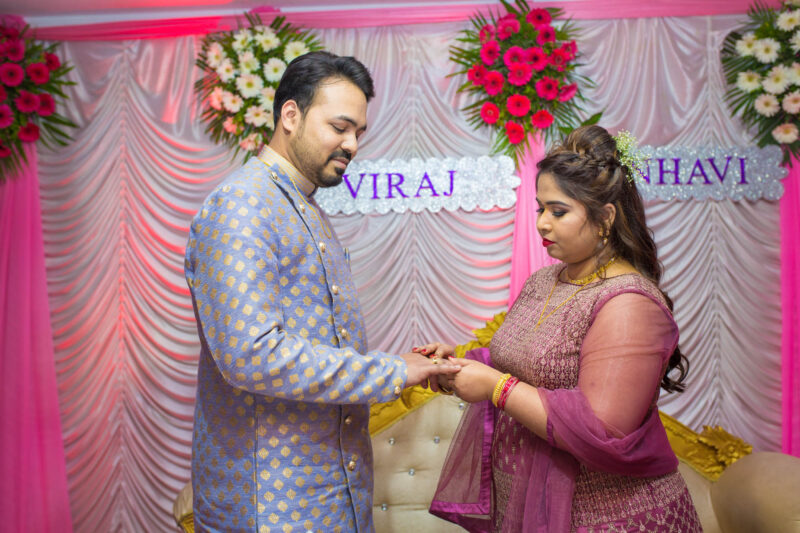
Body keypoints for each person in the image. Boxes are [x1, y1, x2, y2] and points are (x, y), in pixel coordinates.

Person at [184, 51, 458, 532]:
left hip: (331, 492)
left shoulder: (303, 206)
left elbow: (317, 341)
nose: (352, 144)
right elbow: (252, 355)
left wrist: (409, 367)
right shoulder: (242, 207)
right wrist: (392, 371)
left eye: (359, 133)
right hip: (270, 504)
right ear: (291, 115)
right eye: (340, 127)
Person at [419, 125, 702, 532]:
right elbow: (523, 365)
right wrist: (457, 366)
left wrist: (495, 388)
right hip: (533, 505)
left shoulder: (629, 303)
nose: (542, 224)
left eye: (558, 211)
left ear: (605, 218)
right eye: (540, 209)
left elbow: (604, 430)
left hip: (610, 518)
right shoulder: (544, 281)